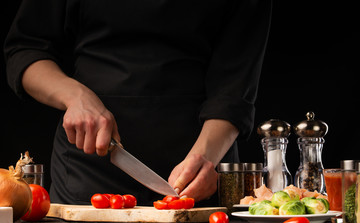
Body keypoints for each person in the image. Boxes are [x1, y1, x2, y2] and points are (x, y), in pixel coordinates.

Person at [4, 0, 272, 206]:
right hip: (89, 165)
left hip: (199, 167)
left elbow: (235, 87)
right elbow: (25, 50)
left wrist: (206, 156)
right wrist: (76, 96)